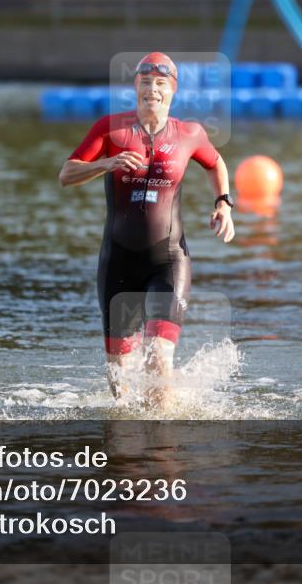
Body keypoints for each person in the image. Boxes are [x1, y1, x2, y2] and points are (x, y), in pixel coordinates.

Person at [59, 52, 235, 406]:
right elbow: (67, 174)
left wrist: (224, 204)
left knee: (158, 355)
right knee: (118, 377)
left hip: (168, 259)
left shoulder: (190, 133)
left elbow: (216, 164)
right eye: (145, 83)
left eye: (160, 84)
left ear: (172, 92)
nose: (151, 90)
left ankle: (163, 443)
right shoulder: (110, 129)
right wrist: (107, 163)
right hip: (118, 261)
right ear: (135, 88)